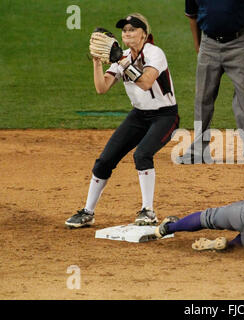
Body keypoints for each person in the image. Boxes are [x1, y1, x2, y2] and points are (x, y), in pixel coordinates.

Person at [65, 13, 179, 228]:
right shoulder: (122, 56)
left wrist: (122, 61)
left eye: (132, 29)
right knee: (104, 161)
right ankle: (88, 212)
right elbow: (102, 88)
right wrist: (97, 62)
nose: (127, 33)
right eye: (124, 30)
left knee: (142, 154)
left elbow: (145, 82)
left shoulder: (155, 54)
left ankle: (148, 211)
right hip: (139, 115)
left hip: (165, 116)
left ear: (144, 34)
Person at [177, 0, 244, 165]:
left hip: (240, 44)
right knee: (202, 98)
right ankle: (199, 150)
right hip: (209, 44)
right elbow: (192, 16)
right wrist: (198, 45)